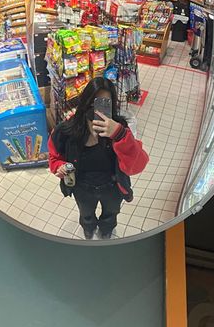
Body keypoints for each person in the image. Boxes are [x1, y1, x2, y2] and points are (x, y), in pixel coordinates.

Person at [48, 77, 149, 239]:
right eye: (93, 102)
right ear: (84, 102)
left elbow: (137, 166)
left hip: (112, 186)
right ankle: (88, 228)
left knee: (111, 212)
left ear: (112, 105)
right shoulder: (66, 130)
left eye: (104, 103)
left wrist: (120, 135)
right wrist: (59, 166)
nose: (97, 109)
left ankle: (107, 229)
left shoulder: (120, 129)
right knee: (86, 213)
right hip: (81, 187)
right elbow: (54, 158)